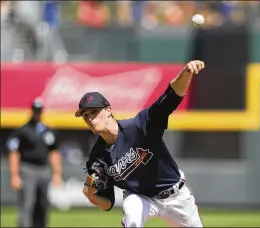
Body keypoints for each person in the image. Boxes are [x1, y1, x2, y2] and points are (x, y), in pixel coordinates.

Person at [77, 60, 205, 227]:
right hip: (140, 197)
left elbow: (170, 97)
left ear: (108, 110)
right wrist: (91, 196)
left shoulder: (139, 126)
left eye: (94, 111)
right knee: (132, 217)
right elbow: (108, 202)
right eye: (85, 115)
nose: (90, 118)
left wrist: (186, 73)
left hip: (175, 195)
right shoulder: (97, 158)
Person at [6, 98, 62, 228]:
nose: (37, 113)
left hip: (44, 169)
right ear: (31, 111)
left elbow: (54, 152)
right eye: (35, 111)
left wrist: (57, 173)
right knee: (27, 203)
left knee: (43, 203)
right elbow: (14, 152)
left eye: (39, 111)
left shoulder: (48, 131)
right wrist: (14, 174)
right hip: (28, 169)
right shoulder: (22, 131)